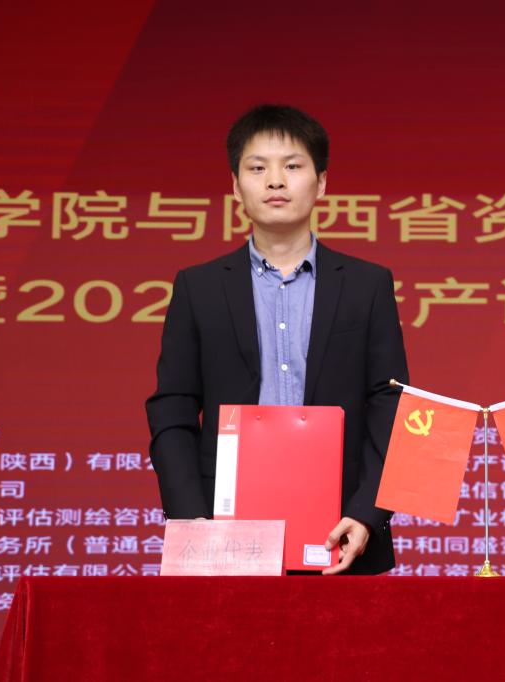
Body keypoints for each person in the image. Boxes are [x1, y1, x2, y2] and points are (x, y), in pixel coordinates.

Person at [145, 104, 408, 575]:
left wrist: (367, 513)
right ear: (236, 186)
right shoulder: (199, 287)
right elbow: (173, 407)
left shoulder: (366, 285)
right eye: (257, 168)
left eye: (292, 166)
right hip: (222, 534)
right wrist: (193, 519)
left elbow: (390, 404)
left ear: (321, 183)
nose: (275, 181)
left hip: (344, 530)